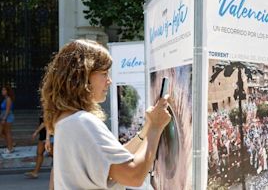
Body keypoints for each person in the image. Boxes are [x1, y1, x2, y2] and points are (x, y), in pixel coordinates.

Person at [40, 39, 171, 189]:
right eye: (104, 73)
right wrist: (156, 126)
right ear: (81, 77)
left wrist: (146, 130)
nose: (109, 81)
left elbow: (114, 162)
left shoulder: (66, 120)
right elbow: (133, 176)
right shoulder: (82, 122)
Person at [24, 114, 54, 179]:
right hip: (43, 135)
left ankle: (63, 170)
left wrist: (36, 132)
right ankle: (35, 172)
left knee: (53, 155)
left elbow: (45, 123)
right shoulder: (43, 110)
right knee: (39, 153)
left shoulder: (49, 109)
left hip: (48, 135)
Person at [1, 85, 15, 153]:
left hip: (8, 117)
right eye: (2, 90)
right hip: (5, 116)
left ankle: (10, 148)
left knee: (7, 132)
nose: (2, 91)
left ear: (7, 91)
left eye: (4, 90)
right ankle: (11, 144)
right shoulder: (5, 98)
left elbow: (8, 110)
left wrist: (4, 119)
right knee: (4, 132)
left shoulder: (8, 99)